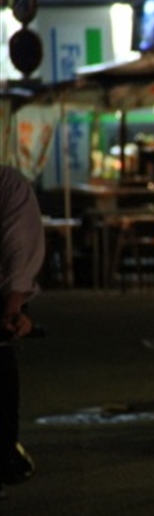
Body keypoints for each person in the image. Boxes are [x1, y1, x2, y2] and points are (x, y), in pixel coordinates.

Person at [0, 166, 45, 485]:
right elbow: (18, 243)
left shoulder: (8, 184)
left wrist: (13, 309)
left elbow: (17, 244)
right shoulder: (9, 184)